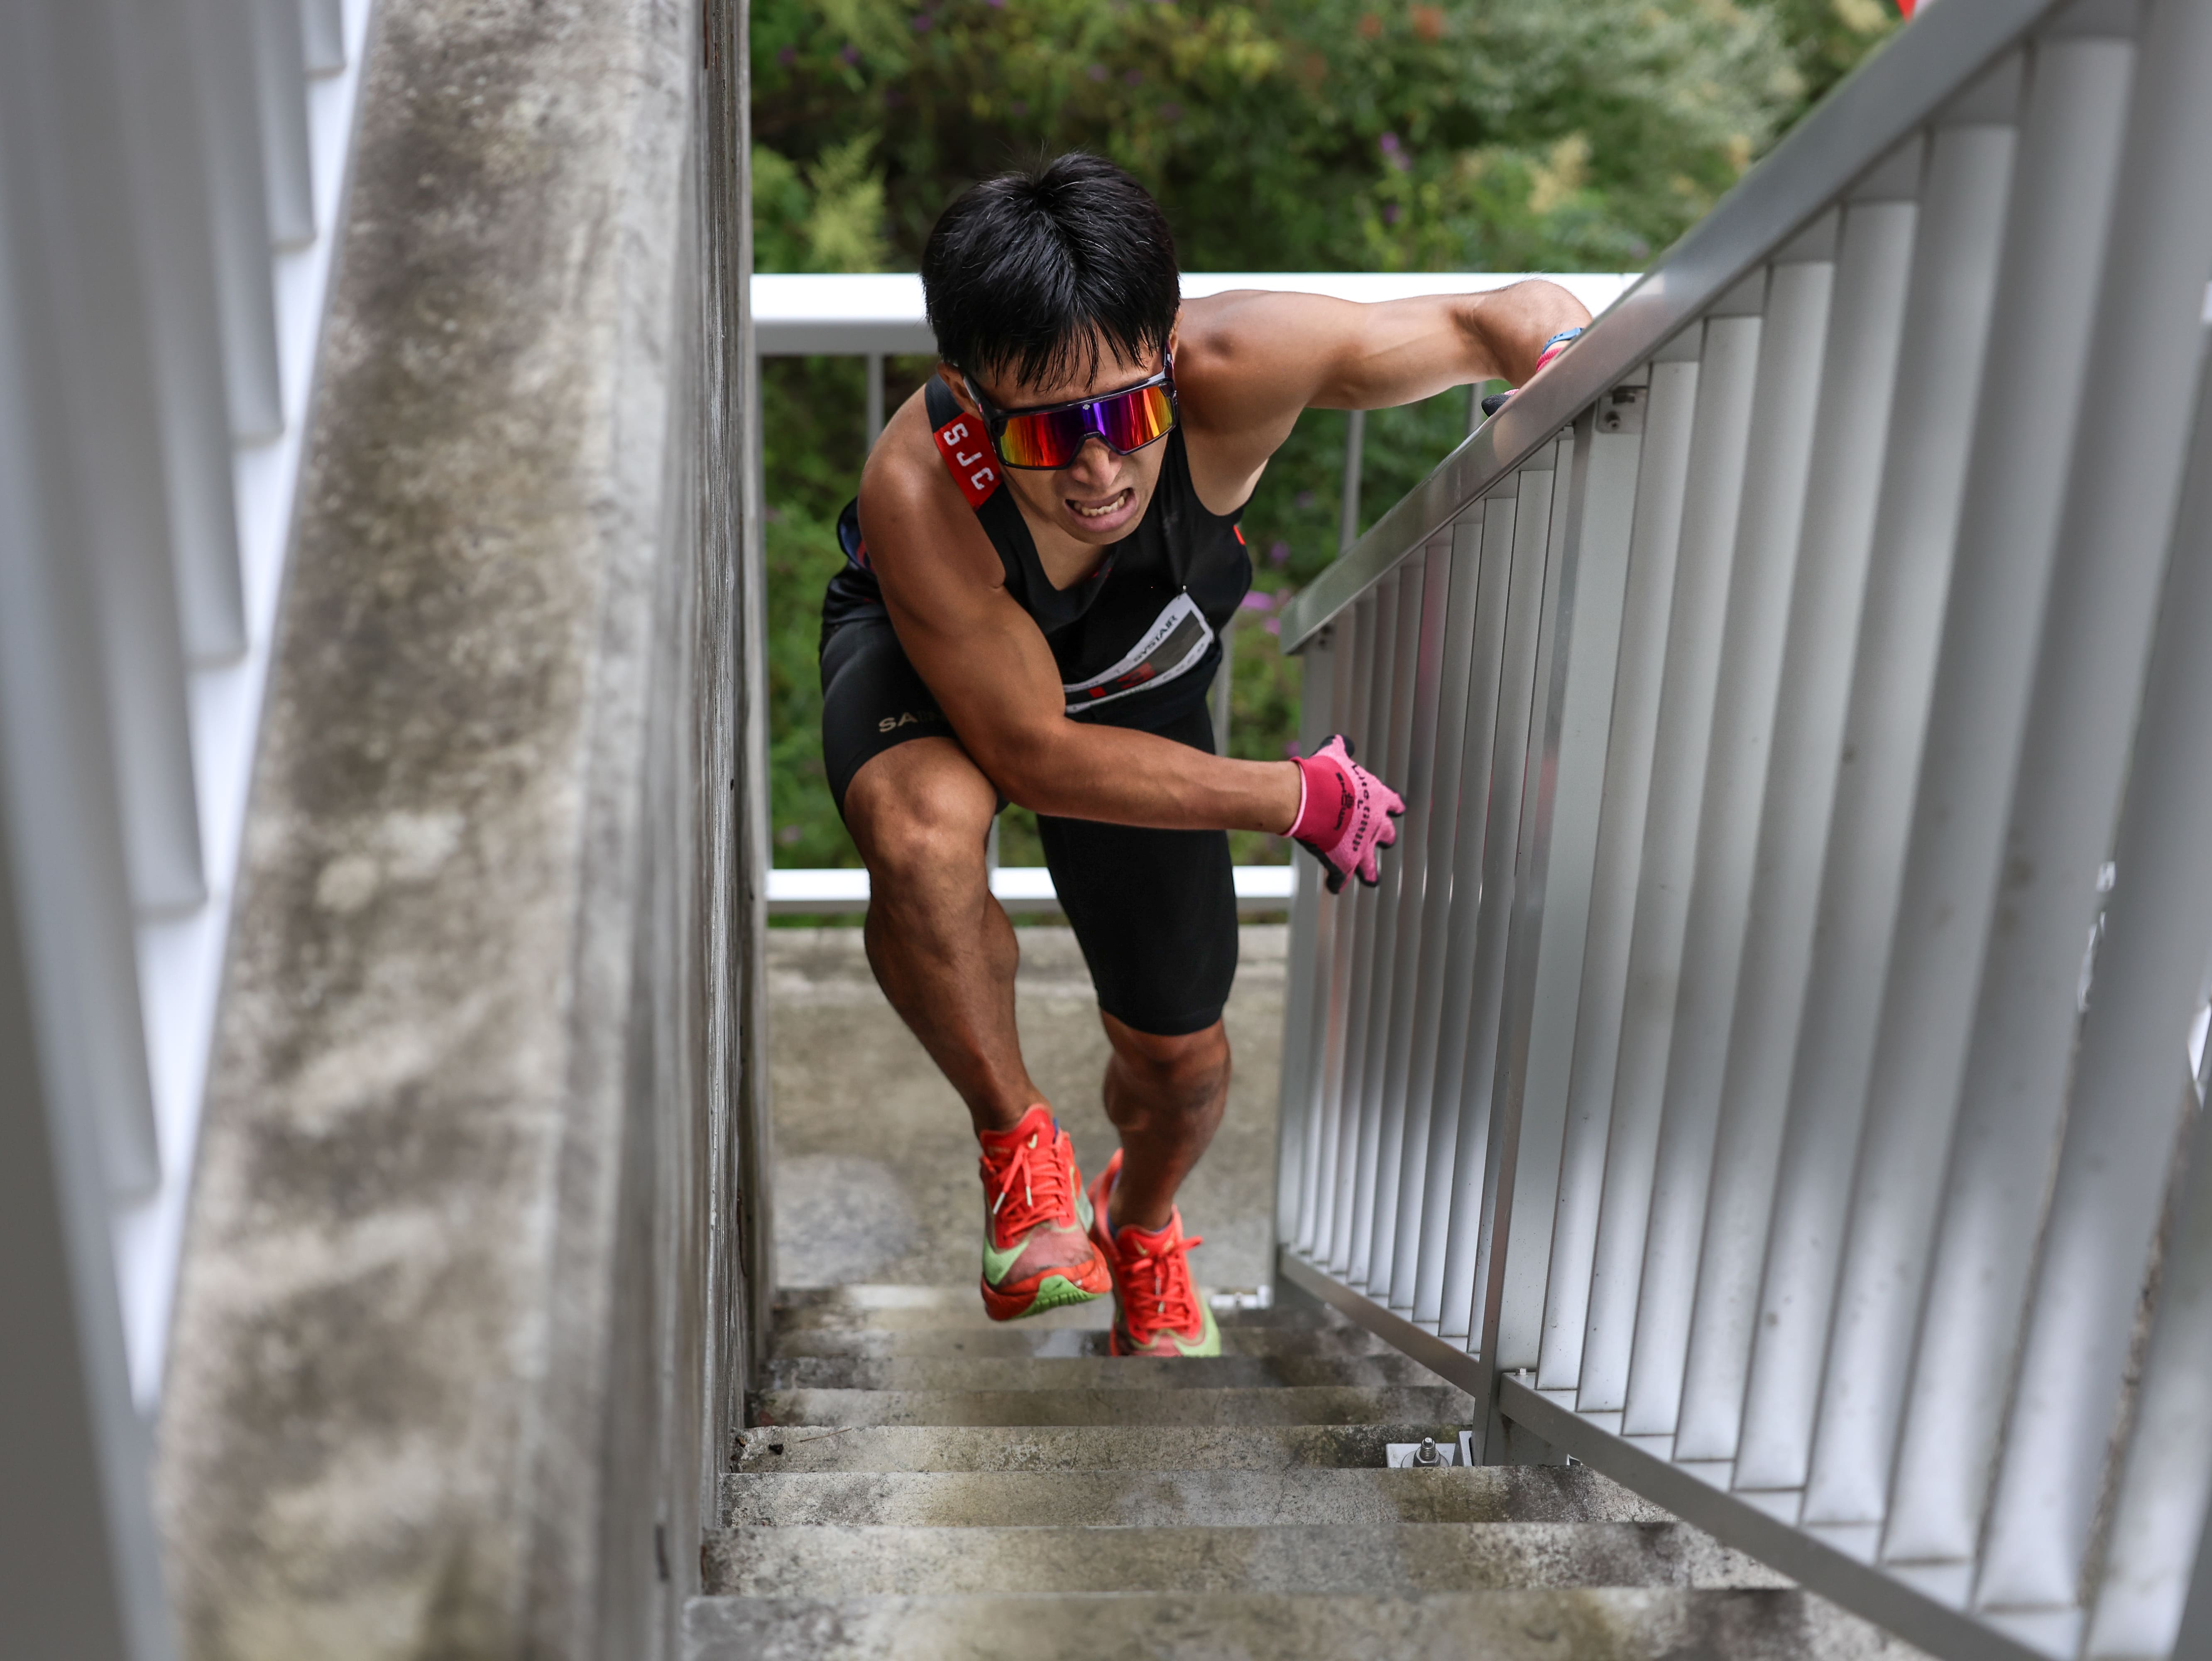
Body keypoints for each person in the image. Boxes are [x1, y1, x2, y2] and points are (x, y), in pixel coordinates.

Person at [817, 153, 1589, 1356]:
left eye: (1128, 415)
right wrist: (1289, 795)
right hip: (949, 679)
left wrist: (1567, 362)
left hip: (1139, 692)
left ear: (1169, 354)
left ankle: (1140, 1224)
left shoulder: (1238, 363)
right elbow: (1034, 756)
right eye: (1047, 434)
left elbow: (1494, 316)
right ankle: (1019, 1149)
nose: (1098, 470)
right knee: (920, 838)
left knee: (1180, 1064)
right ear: (967, 398)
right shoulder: (921, 488)